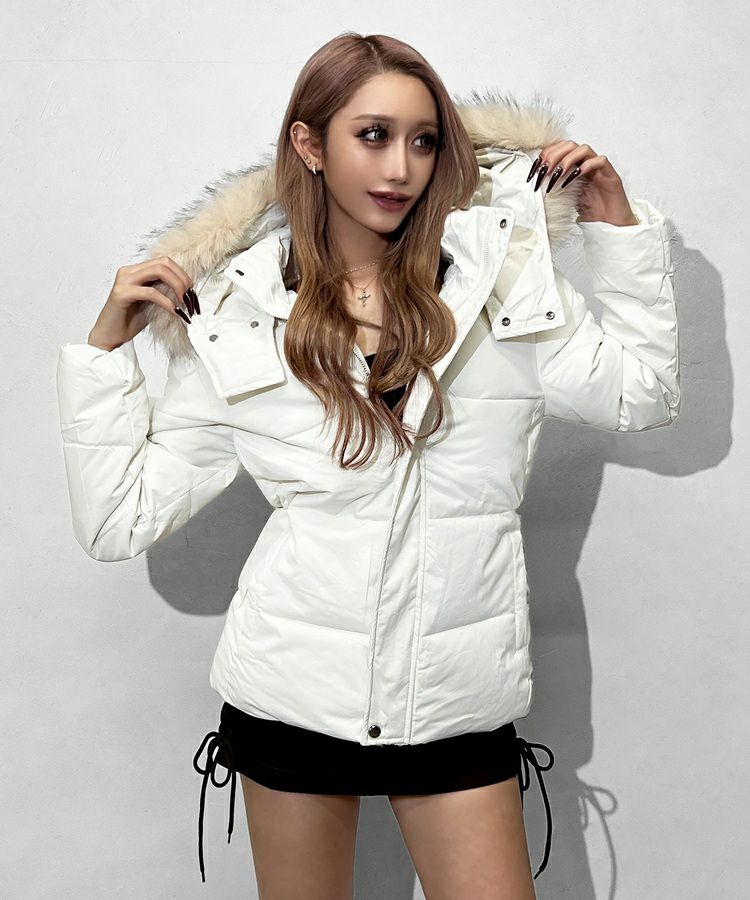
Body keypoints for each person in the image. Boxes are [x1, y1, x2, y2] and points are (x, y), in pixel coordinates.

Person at [55, 31, 679, 900]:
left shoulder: (505, 283)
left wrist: (616, 229)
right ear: (310, 144)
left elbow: (641, 394)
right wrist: (103, 356)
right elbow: (118, 520)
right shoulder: (236, 314)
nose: (401, 168)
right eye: (373, 135)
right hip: (292, 700)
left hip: (456, 701)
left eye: (423, 140)